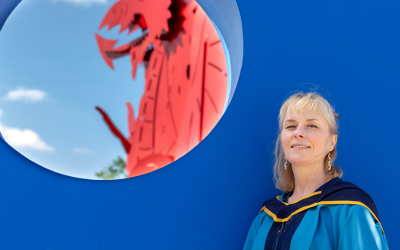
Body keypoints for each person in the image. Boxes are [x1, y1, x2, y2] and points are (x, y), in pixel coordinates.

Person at [243, 92, 388, 250]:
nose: (298, 133)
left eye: (312, 126)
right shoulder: (266, 216)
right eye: (290, 126)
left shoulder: (351, 209)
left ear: (332, 142)